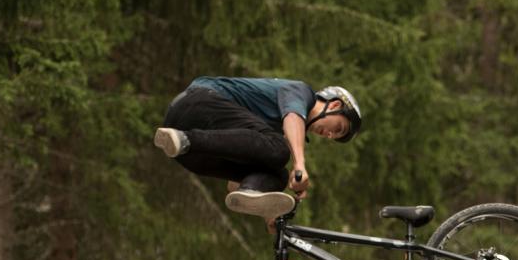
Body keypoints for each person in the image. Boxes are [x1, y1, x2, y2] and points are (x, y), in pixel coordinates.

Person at [153, 76, 363, 220]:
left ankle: (250, 190)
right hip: (198, 104)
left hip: (194, 155)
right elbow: (293, 118)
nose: (329, 135)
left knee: (278, 175)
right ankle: (186, 139)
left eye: (335, 137)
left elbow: (233, 181)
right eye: (338, 128)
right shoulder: (300, 91)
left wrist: (268, 213)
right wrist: (299, 164)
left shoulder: (266, 133)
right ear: (334, 105)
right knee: (280, 150)